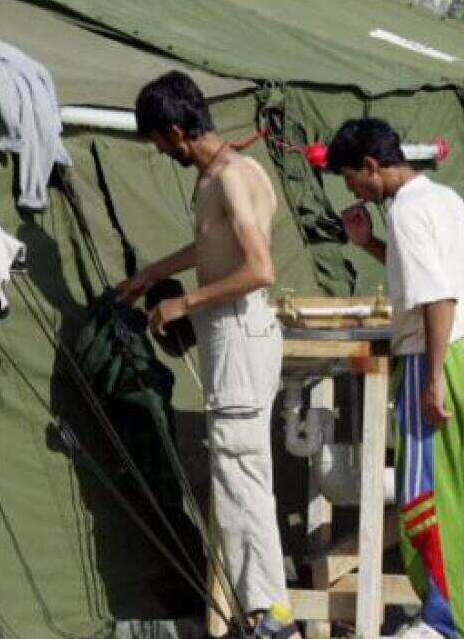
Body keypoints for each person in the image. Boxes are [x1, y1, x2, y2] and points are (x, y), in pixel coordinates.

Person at [118, 72, 300, 638]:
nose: (159, 151)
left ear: (176, 130)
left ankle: (270, 616)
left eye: (159, 141)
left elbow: (258, 269)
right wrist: (154, 273)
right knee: (239, 475)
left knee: (239, 475)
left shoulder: (230, 179)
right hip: (233, 336)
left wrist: (184, 304)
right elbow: (215, 244)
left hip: (240, 335)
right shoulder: (225, 177)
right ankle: (265, 611)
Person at [328, 118, 464, 639]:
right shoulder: (443, 198)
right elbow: (428, 274)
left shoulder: (405, 210)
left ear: (373, 167)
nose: (353, 190)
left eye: (353, 179)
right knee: (459, 493)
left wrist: (432, 376)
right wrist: (368, 244)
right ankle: (452, 616)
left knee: (424, 493)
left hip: (437, 354)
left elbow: (437, 296)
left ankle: (442, 621)